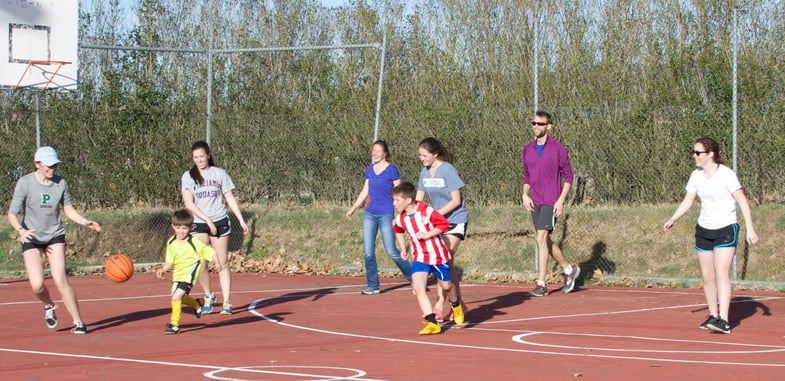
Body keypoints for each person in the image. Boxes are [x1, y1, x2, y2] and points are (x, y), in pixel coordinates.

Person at [663, 137, 759, 334]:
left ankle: (724, 320)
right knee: (707, 276)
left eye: (698, 153)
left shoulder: (726, 174)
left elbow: (742, 200)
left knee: (721, 273)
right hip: (704, 229)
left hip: (725, 228)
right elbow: (688, 200)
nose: (694, 156)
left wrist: (750, 228)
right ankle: (713, 315)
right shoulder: (696, 175)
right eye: (693, 152)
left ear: (710, 154)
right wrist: (673, 218)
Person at [7, 146, 102, 335]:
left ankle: (78, 322)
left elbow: (68, 210)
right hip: (32, 237)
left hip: (55, 236)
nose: (52, 169)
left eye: (55, 165)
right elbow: (11, 213)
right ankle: (48, 305)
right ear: (37, 164)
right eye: (49, 166)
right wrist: (21, 230)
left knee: (60, 280)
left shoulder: (61, 183)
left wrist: (86, 222)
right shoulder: (25, 183)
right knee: (37, 285)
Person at [181, 141, 249, 315]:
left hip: (219, 221)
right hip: (199, 223)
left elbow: (229, 198)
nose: (199, 160)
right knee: (201, 262)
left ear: (208, 155)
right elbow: (188, 203)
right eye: (195, 157)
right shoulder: (188, 176)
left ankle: (227, 302)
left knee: (222, 263)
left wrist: (241, 220)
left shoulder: (219, 174)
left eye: (202, 156)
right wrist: (206, 220)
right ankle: (208, 295)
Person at [521, 110, 580, 296]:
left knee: (539, 238)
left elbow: (569, 176)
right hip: (535, 200)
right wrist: (525, 195)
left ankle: (541, 283)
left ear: (548, 126)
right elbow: (527, 175)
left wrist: (561, 200)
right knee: (544, 239)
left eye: (540, 124)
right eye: (534, 123)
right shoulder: (528, 149)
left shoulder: (558, 149)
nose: (536, 127)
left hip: (550, 200)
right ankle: (569, 269)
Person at [393, 181, 464, 335]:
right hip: (419, 257)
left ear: (409, 200)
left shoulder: (427, 212)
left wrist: (426, 235)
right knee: (418, 287)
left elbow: (443, 225)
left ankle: (456, 304)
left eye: (397, 200)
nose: (394, 203)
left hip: (438, 256)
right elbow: (397, 229)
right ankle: (432, 322)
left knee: (447, 286)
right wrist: (403, 247)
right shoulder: (401, 218)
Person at [346, 140, 412, 294]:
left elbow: (399, 192)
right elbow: (365, 190)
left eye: (377, 151)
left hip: (385, 214)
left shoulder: (392, 170)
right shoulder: (370, 170)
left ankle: (414, 276)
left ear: (385, 153)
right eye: (372, 151)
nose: (374, 154)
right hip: (370, 214)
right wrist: (354, 207)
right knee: (368, 252)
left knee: (391, 250)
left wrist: (401, 212)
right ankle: (373, 285)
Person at [416, 137, 468, 322]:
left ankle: (439, 305)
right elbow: (419, 200)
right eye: (419, 155)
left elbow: (456, 201)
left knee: (443, 257)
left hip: (455, 219)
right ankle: (458, 302)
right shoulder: (424, 172)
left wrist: (435, 214)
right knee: (447, 264)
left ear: (435, 154)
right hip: (437, 223)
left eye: (424, 155)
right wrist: (413, 217)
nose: (421, 158)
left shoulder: (447, 170)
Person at [156, 209, 217, 334]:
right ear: (173, 227)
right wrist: (163, 269)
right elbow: (169, 260)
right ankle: (197, 304)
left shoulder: (194, 242)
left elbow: (208, 251)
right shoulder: (171, 242)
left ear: (190, 228)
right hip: (177, 275)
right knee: (180, 298)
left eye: (184, 228)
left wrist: (217, 262)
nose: (181, 231)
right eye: (178, 228)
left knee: (176, 297)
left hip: (189, 275)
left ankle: (174, 324)